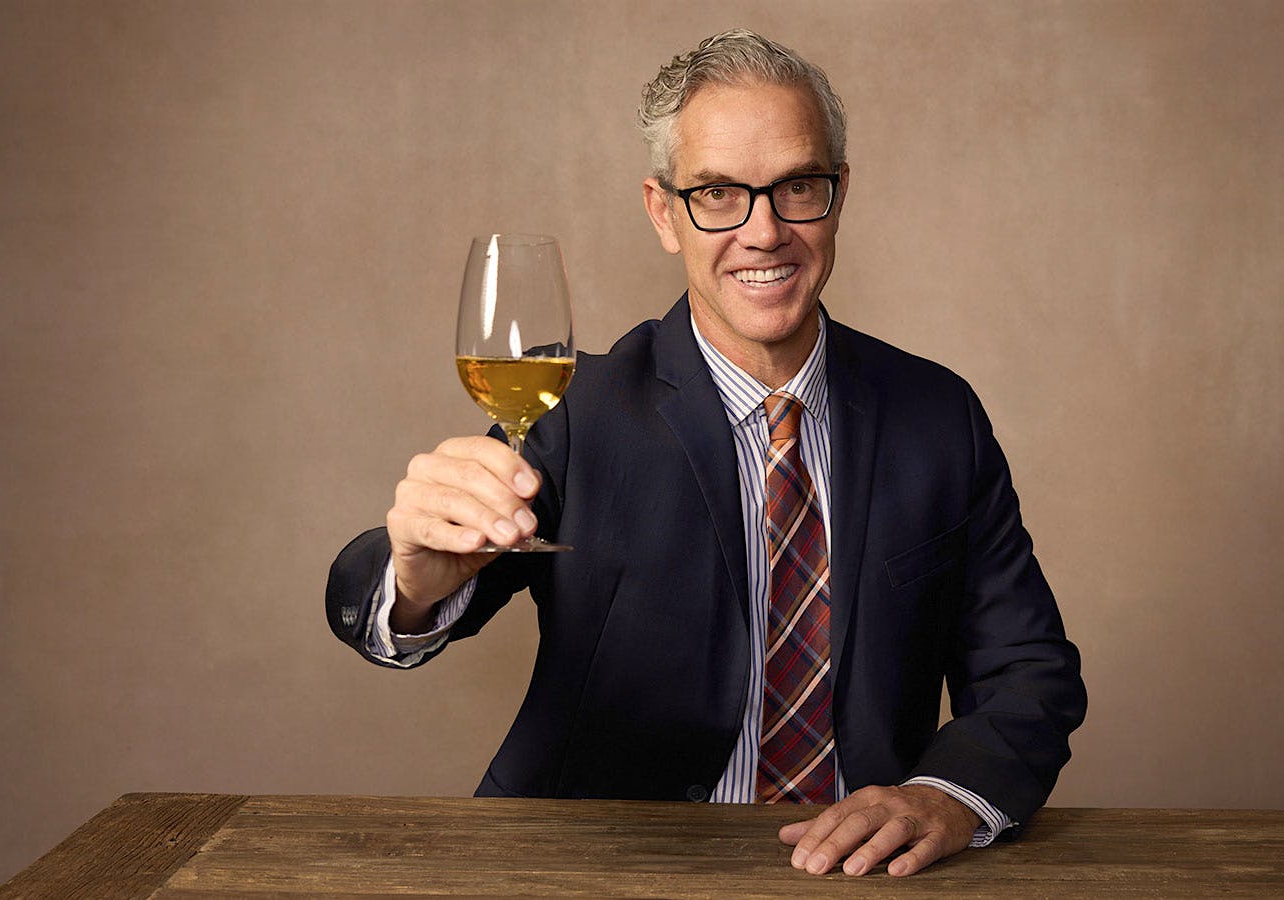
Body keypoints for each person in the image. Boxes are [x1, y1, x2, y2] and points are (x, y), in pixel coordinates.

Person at [326, 28, 1085, 878]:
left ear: (837, 197)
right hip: (591, 869)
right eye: (719, 193)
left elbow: (1029, 674)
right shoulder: (576, 407)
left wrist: (948, 795)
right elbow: (385, 593)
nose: (764, 232)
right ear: (663, 212)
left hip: (854, 872)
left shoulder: (937, 415)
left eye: (798, 186)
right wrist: (416, 584)